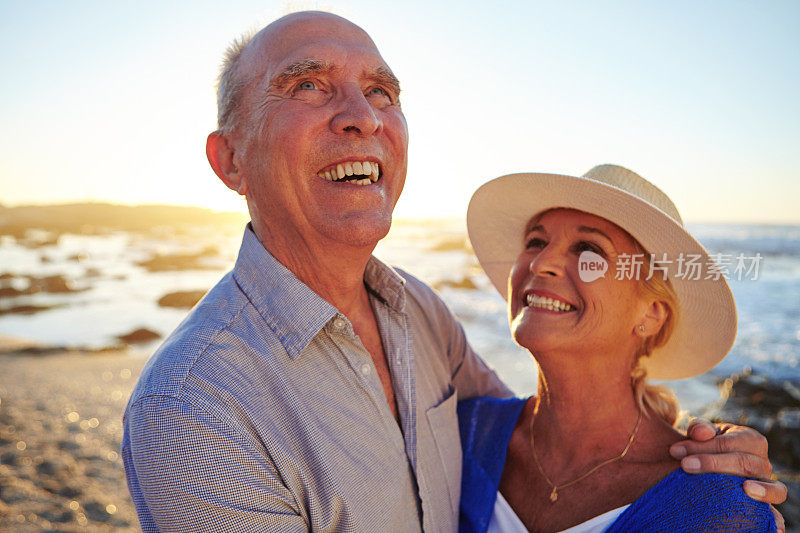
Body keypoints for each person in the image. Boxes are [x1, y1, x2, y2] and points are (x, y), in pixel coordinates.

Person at [121, 11, 786, 533]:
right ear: (230, 159)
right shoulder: (192, 405)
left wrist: (717, 452)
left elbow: (546, 426)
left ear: (653, 311)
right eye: (306, 85)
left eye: (381, 91)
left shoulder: (422, 317)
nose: (362, 115)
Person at [459, 164, 779, 532]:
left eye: (588, 250)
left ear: (651, 314)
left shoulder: (718, 508)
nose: (543, 262)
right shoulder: (466, 433)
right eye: (536, 241)